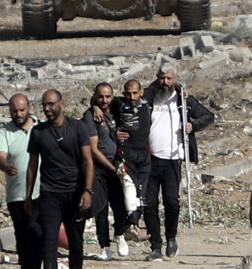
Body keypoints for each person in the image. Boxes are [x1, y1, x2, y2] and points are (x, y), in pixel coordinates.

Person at [143, 60, 215, 261]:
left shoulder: (184, 101)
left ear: (175, 78)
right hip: (150, 159)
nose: (164, 82)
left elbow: (208, 116)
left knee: (172, 202)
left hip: (173, 159)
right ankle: (155, 245)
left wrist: (193, 125)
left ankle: (171, 237)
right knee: (149, 205)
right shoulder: (150, 97)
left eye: (169, 78)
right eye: (161, 78)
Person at [25, 89, 94, 269]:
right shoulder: (38, 132)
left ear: (61, 104)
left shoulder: (78, 127)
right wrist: (28, 196)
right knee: (49, 242)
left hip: (74, 193)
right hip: (50, 194)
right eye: (44, 105)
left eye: (51, 104)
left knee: (76, 243)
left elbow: (88, 161)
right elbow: (32, 166)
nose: (47, 108)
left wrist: (87, 190)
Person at [81, 83, 130, 260]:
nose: (104, 100)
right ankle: (104, 246)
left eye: (108, 96)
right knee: (100, 208)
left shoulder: (117, 109)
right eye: (100, 97)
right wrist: (111, 168)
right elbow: (93, 149)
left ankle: (121, 235)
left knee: (120, 204)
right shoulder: (90, 116)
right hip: (100, 169)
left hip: (118, 164)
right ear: (95, 96)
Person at [0, 94, 42, 269]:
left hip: (41, 193)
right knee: (23, 237)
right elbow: (0, 156)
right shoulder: (4, 133)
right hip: (17, 196)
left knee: (39, 234)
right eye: (15, 111)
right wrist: (5, 166)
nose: (19, 114)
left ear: (29, 107)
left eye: (22, 110)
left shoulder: (41, 127)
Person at [113, 78, 152, 237]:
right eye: (128, 93)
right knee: (129, 186)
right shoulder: (118, 104)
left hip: (143, 153)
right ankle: (132, 226)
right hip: (126, 153)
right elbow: (98, 98)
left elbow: (164, 86)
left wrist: (180, 88)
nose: (132, 96)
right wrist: (95, 107)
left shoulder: (148, 104)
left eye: (135, 93)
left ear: (141, 92)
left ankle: (136, 223)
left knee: (141, 190)